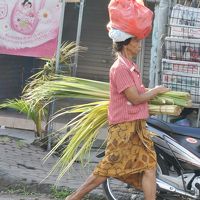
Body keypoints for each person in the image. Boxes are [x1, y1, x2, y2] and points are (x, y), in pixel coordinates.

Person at [65, 28, 170, 200]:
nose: (139, 45)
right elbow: (135, 98)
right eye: (136, 41)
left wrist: (157, 94)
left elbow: (140, 93)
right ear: (126, 44)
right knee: (108, 167)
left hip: (137, 125)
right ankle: (74, 197)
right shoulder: (120, 68)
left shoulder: (132, 67)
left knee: (149, 165)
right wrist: (157, 91)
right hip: (123, 127)